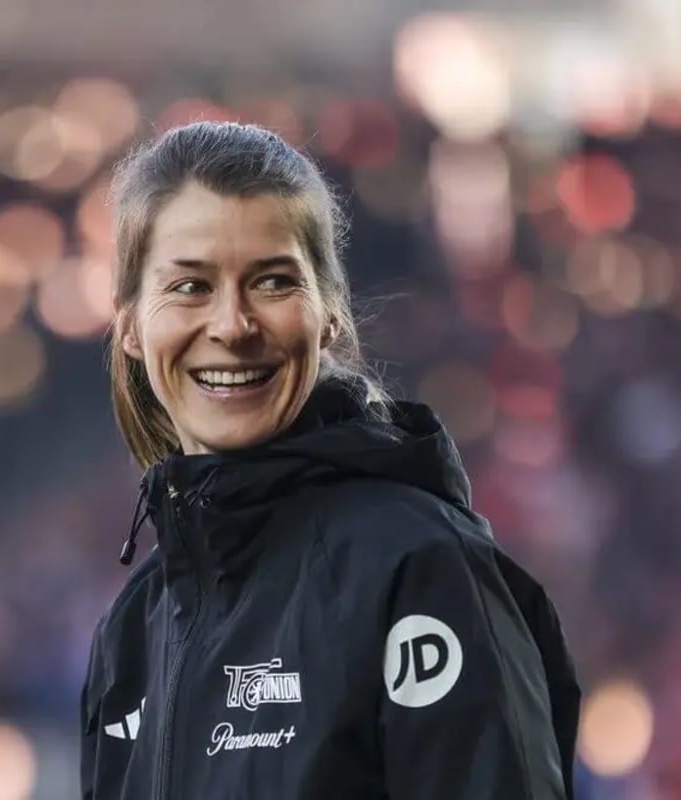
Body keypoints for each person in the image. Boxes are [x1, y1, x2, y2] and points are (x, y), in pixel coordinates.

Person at [80, 121, 581, 799]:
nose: (232, 325)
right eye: (191, 287)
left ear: (329, 315)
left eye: (272, 282)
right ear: (131, 325)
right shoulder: (132, 632)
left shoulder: (420, 566)